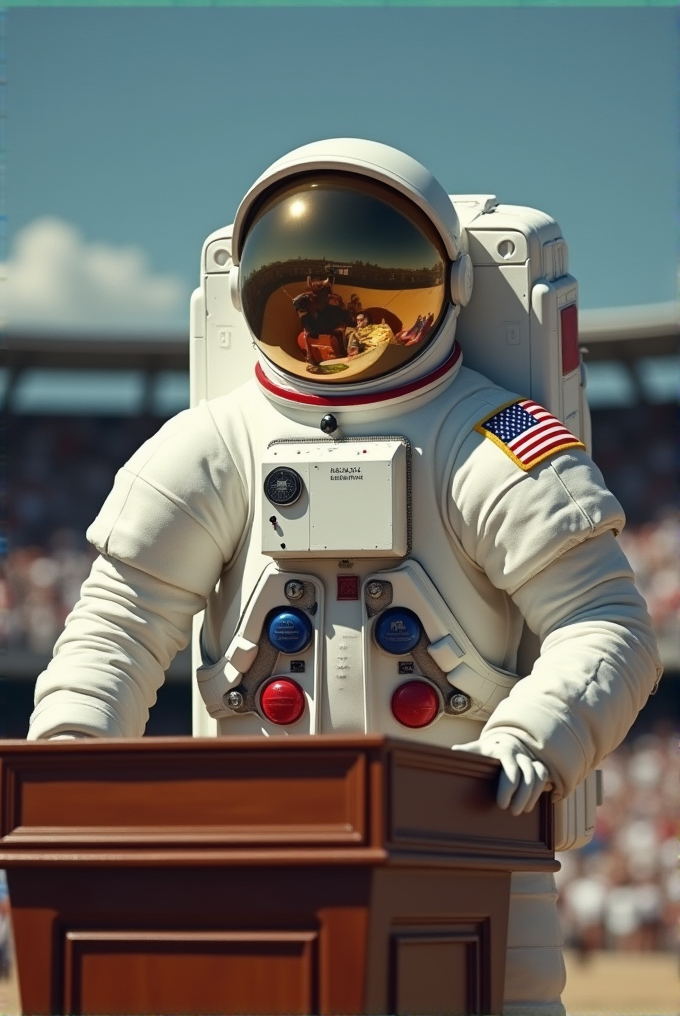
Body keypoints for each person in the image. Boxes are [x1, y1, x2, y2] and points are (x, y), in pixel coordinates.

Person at [28, 139, 661, 1016]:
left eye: (372, 278)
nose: (335, 316)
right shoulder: (214, 445)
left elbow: (606, 625)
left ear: (447, 281)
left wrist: (526, 741)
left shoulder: (493, 439)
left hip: (467, 848)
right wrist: (70, 754)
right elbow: (120, 625)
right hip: (260, 856)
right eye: (302, 283)